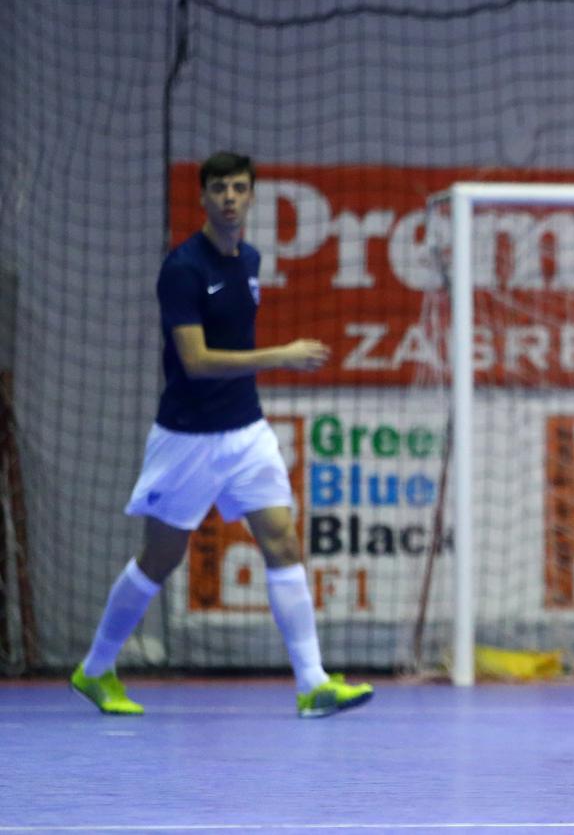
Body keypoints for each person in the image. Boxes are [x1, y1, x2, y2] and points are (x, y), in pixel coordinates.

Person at [70, 152, 373, 718]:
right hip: (187, 439)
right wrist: (280, 355)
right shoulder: (183, 269)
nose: (229, 197)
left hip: (246, 431)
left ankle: (312, 684)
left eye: (239, 188)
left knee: (282, 541)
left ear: (252, 195)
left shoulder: (250, 259)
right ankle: (94, 670)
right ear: (204, 198)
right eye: (218, 189)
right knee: (160, 558)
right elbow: (196, 361)